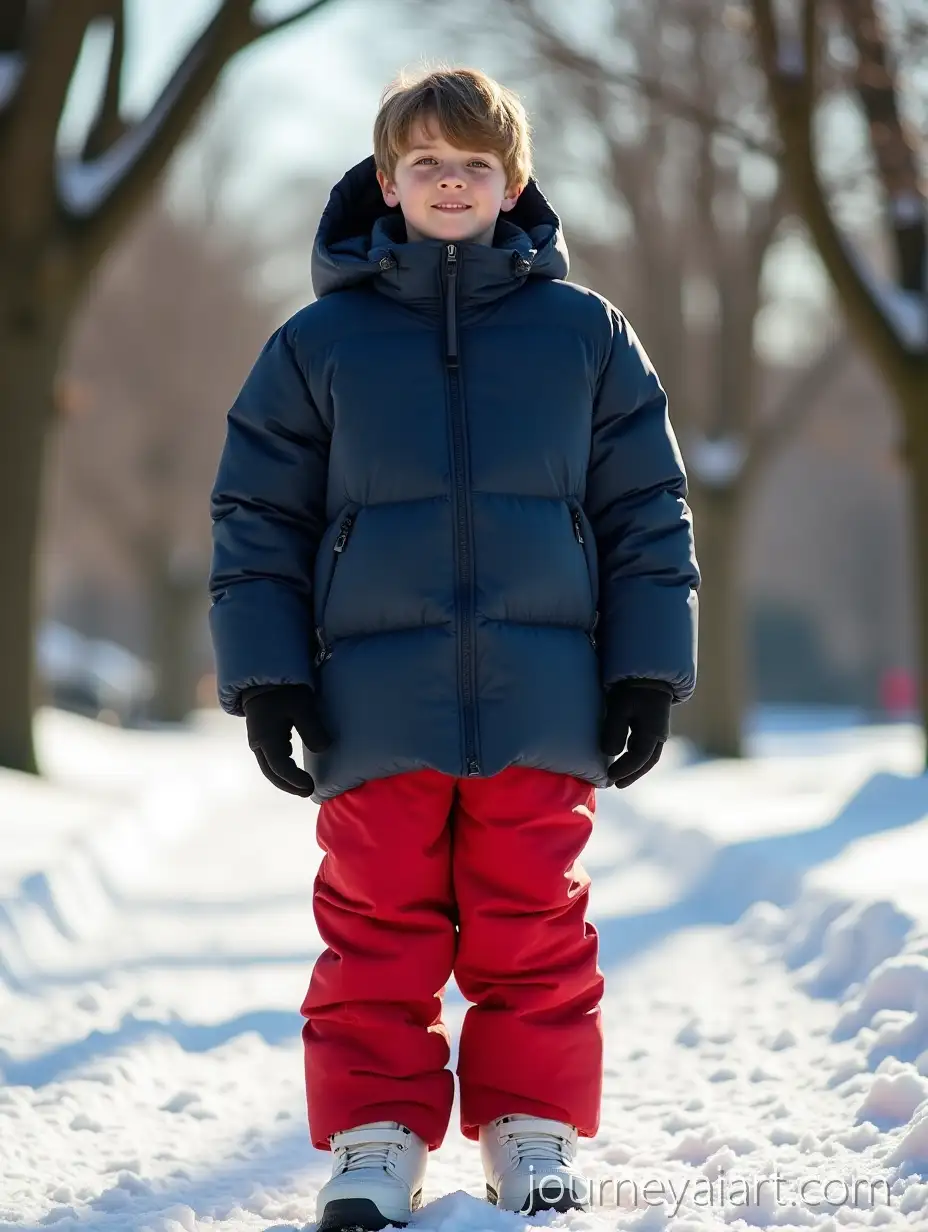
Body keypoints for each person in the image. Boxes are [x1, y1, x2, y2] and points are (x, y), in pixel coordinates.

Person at [209, 66, 699, 1232]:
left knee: (531, 921)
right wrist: (269, 672)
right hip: (372, 704)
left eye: (472, 165)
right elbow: (256, 517)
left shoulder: (585, 334)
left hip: (542, 693)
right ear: (386, 180)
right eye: (424, 162)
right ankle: (375, 1139)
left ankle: (530, 1125)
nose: (447, 181)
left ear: (511, 183)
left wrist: (644, 665)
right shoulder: (317, 343)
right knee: (376, 922)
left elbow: (647, 510)